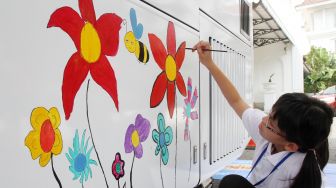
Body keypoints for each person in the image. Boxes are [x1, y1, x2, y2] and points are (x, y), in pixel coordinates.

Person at [192, 41, 333, 188]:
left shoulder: (305, 176)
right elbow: (236, 101)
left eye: (271, 124)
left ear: (291, 146)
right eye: (269, 115)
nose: (263, 121)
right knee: (232, 182)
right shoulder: (269, 132)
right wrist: (209, 63)